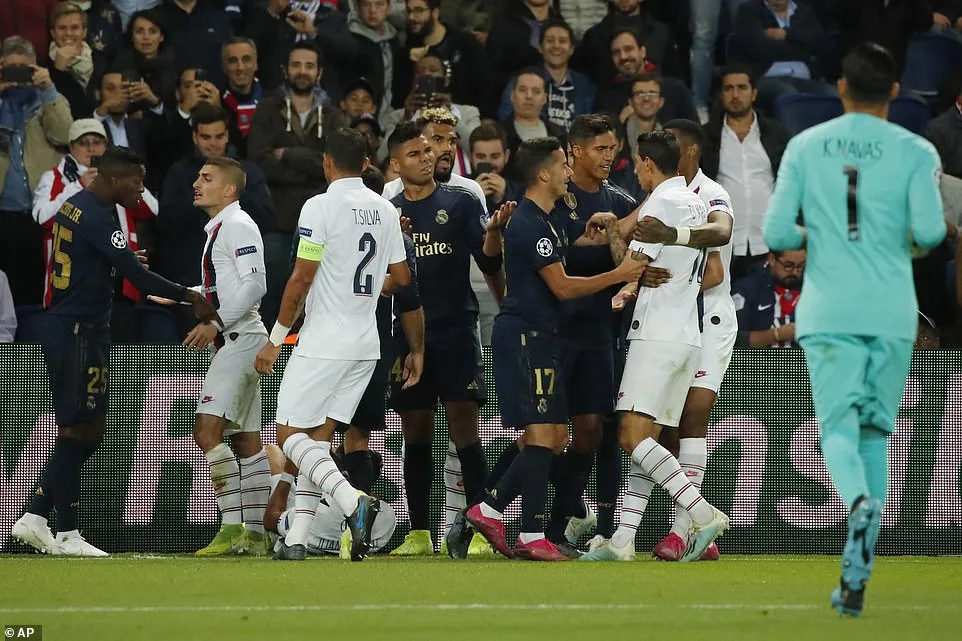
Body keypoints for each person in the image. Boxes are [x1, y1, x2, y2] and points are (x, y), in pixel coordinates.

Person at [762, 42, 946, 616]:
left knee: (837, 430)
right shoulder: (916, 150)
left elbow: (777, 233)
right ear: (894, 91)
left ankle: (858, 502)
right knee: (873, 434)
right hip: (891, 312)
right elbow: (931, 233)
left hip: (831, 313)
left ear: (840, 87)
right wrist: (896, 241)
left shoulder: (805, 145)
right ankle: (855, 579)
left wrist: (819, 234)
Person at [10, 147, 218, 556]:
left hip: (78, 329)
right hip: (78, 332)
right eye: (136, 181)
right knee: (77, 430)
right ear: (114, 178)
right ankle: (65, 531)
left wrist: (114, 261)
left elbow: (89, 261)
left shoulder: (76, 207)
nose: (141, 189)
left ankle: (37, 517)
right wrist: (190, 296)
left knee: (89, 431)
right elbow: (138, 277)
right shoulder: (97, 217)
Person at [454, 137, 645, 561]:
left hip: (544, 338)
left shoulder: (549, 219)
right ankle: (525, 530)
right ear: (544, 174)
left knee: (555, 437)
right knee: (543, 437)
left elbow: (573, 245)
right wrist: (621, 274)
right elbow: (562, 287)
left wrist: (601, 228)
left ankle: (495, 513)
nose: (568, 172)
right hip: (527, 338)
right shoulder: (529, 223)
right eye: (562, 165)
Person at [254, 128, 410, 562]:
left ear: (326, 162)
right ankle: (297, 539)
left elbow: (301, 278)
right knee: (318, 445)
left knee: (288, 436)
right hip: (366, 344)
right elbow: (401, 278)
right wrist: (364, 287)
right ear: (366, 163)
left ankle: (352, 500)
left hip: (324, 342)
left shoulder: (319, 206)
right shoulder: (386, 208)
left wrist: (275, 340)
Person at [580, 131, 729, 563]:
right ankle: (622, 541)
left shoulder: (660, 203)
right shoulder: (696, 203)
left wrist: (614, 232)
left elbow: (629, 265)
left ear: (646, 163)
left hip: (656, 334)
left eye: (637, 165)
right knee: (649, 440)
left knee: (630, 436)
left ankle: (702, 514)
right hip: (687, 336)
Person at [384, 120, 504, 556]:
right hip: (407, 335)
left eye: (428, 151)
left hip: (456, 329)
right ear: (395, 165)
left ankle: (480, 531)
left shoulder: (460, 202)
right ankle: (418, 533)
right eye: (415, 154)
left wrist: (494, 234)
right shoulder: (387, 212)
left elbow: (487, 262)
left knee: (465, 431)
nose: (427, 158)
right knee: (414, 432)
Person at [150, 157, 272, 557]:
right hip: (242, 338)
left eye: (207, 178)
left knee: (206, 432)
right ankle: (257, 535)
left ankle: (231, 527)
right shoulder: (222, 227)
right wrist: (182, 295)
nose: (196, 183)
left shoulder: (237, 225)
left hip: (240, 339)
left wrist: (215, 323)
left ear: (229, 190)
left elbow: (255, 285)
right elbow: (226, 286)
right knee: (248, 441)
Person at [632, 118, 737, 562]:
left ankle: (683, 532)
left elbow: (721, 236)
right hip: (674, 319)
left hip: (709, 315)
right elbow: (630, 232)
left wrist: (669, 243)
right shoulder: (661, 193)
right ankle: (686, 529)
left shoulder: (712, 193)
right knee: (660, 425)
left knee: (693, 418)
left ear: (689, 150)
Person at [545, 114, 636, 556]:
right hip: (553, 331)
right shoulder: (554, 199)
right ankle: (490, 507)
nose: (609, 156)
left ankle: (560, 527)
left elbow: (630, 266)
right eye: (600, 148)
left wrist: (615, 233)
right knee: (542, 436)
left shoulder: (620, 201)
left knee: (590, 433)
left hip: (601, 334)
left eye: (612, 148)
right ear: (576, 150)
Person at [32, 118, 159, 344]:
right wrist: (79, 185)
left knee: (118, 357)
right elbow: (43, 217)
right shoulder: (55, 177)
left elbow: (151, 209)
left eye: (98, 142)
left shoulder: (117, 177)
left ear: (106, 146)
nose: (91, 148)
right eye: (84, 142)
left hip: (119, 288)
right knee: (73, 358)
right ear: (71, 147)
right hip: (72, 290)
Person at [0, 36, 73, 310]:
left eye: (25, 69)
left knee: (38, 294)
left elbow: (65, 135)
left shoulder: (50, 99)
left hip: (41, 216)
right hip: (3, 216)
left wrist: (49, 89)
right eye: (12, 69)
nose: (18, 77)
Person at [702, 64, 790, 282]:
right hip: (724, 245)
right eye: (728, 88)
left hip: (769, 243)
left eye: (741, 88)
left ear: (754, 93)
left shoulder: (778, 134)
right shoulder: (706, 136)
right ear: (721, 95)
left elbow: (791, 186)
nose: (735, 95)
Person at [263, 444, 398, 557]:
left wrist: (288, 473)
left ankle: (255, 535)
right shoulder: (388, 517)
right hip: (337, 509)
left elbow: (270, 520)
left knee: (272, 451)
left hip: (303, 525)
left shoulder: (310, 513)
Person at [732, 249, 805, 347]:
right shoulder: (746, 288)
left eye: (800, 266)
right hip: (758, 356)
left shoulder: (810, 287)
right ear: (772, 259)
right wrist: (775, 335)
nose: (795, 272)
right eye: (788, 266)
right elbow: (733, 338)